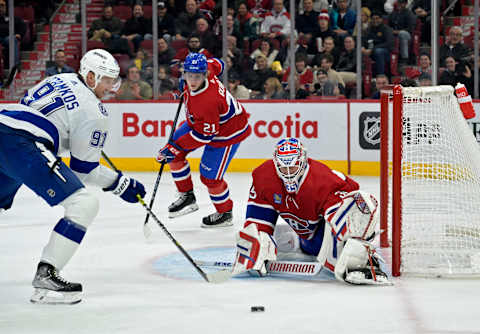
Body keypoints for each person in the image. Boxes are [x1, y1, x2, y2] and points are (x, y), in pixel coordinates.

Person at [0, 49, 146, 304]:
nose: (112, 86)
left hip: (5, 124)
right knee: (84, 204)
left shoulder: (59, 78)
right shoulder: (95, 112)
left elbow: (32, 109)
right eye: (107, 80)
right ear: (90, 77)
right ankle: (48, 272)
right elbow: (83, 171)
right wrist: (121, 184)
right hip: (21, 143)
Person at [231, 138, 390, 285]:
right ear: (275, 163)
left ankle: (361, 257)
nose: (288, 173)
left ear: (303, 162)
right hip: (305, 234)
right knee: (255, 235)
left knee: (353, 207)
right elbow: (257, 220)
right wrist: (254, 245)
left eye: (292, 166)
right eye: (282, 167)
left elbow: (350, 205)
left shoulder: (323, 180)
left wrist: (353, 239)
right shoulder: (264, 177)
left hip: (318, 237)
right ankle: (290, 241)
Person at [156, 53, 251, 228]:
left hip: (227, 133)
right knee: (173, 151)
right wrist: (175, 148)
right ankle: (187, 196)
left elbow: (204, 136)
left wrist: (176, 147)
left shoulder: (207, 101)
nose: (192, 81)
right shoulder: (208, 68)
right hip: (200, 123)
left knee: (210, 178)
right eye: (188, 75)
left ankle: (225, 213)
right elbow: (219, 64)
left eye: (197, 77)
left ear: (205, 74)